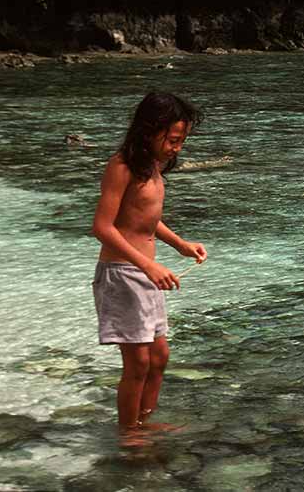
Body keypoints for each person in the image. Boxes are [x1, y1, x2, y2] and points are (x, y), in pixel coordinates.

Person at [91, 91, 208, 434]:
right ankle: (129, 434)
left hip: (145, 275)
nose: (178, 148)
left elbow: (145, 218)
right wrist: (148, 265)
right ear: (149, 130)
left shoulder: (152, 168)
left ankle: (144, 421)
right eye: (173, 140)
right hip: (122, 275)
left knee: (159, 358)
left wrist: (180, 245)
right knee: (138, 363)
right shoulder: (122, 166)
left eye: (182, 141)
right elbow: (102, 227)